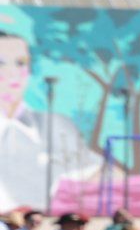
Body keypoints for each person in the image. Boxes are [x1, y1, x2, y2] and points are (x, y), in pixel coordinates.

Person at [0, 32, 105, 210]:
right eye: (1, 63)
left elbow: (97, 170)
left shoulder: (56, 124)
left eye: (20, 63)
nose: (13, 73)